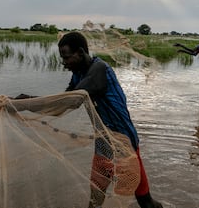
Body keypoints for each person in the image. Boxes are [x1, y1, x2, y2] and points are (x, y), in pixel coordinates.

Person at [58, 32, 163, 208]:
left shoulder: (100, 69)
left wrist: (26, 102)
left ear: (81, 52)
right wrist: (21, 103)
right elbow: (61, 104)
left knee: (145, 201)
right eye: (62, 59)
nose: (64, 63)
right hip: (104, 142)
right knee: (96, 197)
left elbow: (73, 99)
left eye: (67, 58)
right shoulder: (78, 74)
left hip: (124, 143)